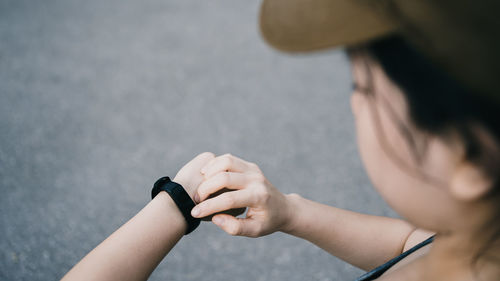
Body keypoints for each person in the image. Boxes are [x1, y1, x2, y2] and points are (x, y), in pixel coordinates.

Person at [62, 0, 500, 280]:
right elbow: (414, 244)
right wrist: (291, 212)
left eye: (364, 90)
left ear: (470, 156)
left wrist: (172, 205)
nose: (354, 105)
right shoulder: (478, 239)